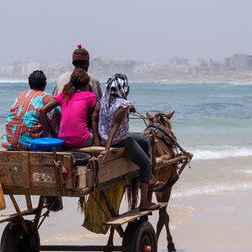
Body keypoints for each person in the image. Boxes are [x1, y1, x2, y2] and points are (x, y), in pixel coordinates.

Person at [95, 74, 162, 210]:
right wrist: (107, 149)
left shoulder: (104, 100)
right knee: (147, 165)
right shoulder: (123, 104)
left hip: (105, 137)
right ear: (124, 89)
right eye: (128, 87)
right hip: (120, 140)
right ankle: (144, 202)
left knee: (144, 140)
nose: (128, 90)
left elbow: (97, 116)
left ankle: (150, 177)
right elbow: (115, 125)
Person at [1, 70, 61, 151]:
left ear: (30, 84)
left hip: (11, 143)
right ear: (44, 85)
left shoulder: (20, 96)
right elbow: (57, 127)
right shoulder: (48, 98)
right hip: (31, 146)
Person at [40, 68, 98, 148]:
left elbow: (42, 111)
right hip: (82, 140)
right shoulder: (90, 97)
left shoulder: (64, 95)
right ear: (86, 84)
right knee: (92, 131)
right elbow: (90, 120)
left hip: (63, 140)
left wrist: (47, 134)